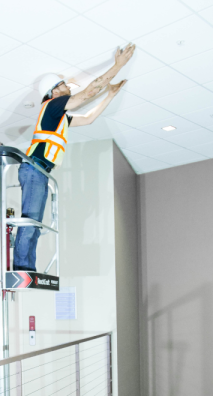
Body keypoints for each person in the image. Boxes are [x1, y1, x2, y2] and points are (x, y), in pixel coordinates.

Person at [16, 43, 134, 272]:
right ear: (54, 91)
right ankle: (23, 269)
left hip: (38, 171)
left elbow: (89, 118)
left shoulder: (60, 118)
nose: (67, 87)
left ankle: (26, 268)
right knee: (30, 222)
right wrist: (117, 66)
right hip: (33, 169)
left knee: (35, 224)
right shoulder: (52, 105)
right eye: (63, 85)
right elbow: (87, 93)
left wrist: (109, 96)